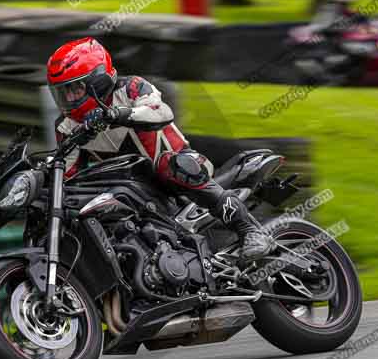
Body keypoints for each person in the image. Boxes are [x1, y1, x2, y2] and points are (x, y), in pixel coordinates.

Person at [46, 37, 273, 260]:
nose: (67, 98)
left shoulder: (132, 88)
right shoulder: (67, 126)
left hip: (179, 167)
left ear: (98, 82)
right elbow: (69, 175)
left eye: (74, 89)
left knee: (173, 165)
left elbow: (161, 112)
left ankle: (250, 230)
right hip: (129, 187)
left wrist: (118, 114)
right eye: (61, 92)